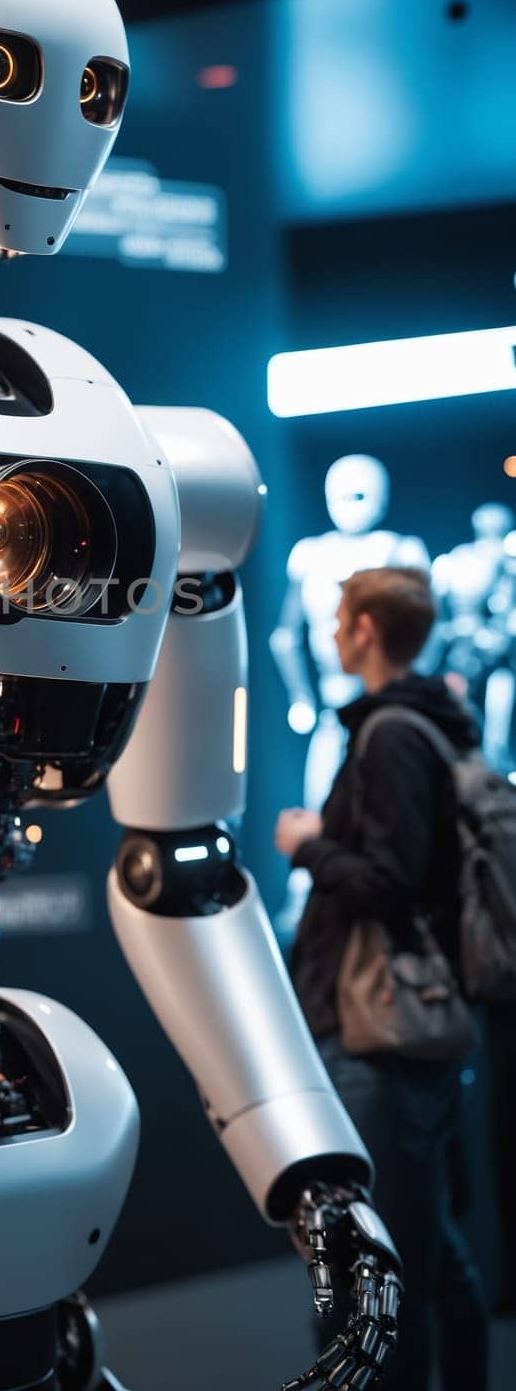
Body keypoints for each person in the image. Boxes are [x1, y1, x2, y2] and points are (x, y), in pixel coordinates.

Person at [275, 565, 489, 1391]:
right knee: (421, 1241)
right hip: (394, 1026)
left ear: (365, 629)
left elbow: (389, 881)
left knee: (379, 1273)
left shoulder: (391, 735)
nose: (329, 633)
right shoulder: (417, 727)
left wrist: (306, 844)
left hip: (379, 1030)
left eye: (338, 619)